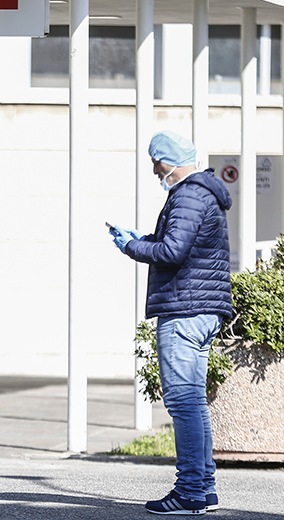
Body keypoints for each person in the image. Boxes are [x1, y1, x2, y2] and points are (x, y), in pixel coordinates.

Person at [109, 130, 232, 515]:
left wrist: (131, 246)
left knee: (182, 403)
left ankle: (190, 492)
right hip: (202, 307)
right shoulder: (202, 193)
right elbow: (181, 244)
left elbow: (172, 251)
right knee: (193, 403)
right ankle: (204, 489)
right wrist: (143, 238)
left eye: (155, 162)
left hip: (185, 310)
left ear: (168, 162)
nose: (152, 170)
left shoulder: (188, 195)